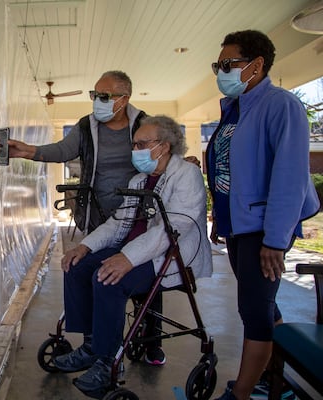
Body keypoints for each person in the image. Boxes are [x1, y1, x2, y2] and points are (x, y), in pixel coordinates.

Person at [5, 70, 170, 365]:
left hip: (139, 215)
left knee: (143, 279)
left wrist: (184, 162)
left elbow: (163, 156)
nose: (97, 102)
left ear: (124, 99)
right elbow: (62, 150)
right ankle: (97, 342)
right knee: (94, 272)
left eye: (104, 96)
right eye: (94, 95)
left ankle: (150, 340)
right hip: (99, 214)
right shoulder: (87, 126)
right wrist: (28, 151)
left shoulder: (143, 124)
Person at [53, 115, 213, 396]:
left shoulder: (186, 176)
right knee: (77, 266)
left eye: (141, 143)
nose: (135, 149)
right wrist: (85, 246)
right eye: (134, 143)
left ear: (164, 146)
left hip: (169, 257)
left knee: (107, 278)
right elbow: (118, 223)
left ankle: (108, 361)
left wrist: (127, 258)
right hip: (134, 249)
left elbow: (172, 229)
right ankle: (92, 346)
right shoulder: (140, 179)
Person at [206, 30, 319, 400]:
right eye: (217, 65)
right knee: (263, 305)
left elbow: (290, 178)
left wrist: (275, 239)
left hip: (263, 230)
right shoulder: (237, 108)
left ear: (256, 65)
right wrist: (222, 222)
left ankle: (241, 393)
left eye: (228, 64)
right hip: (239, 226)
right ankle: (273, 376)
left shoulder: (279, 105)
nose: (220, 72)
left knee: (253, 312)